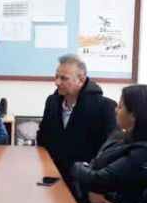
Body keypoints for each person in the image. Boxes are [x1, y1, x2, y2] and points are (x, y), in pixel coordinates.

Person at [70, 84, 147, 203]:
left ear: (134, 115)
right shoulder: (119, 135)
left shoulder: (146, 152)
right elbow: (95, 166)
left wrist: (77, 167)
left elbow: (98, 178)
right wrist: (92, 190)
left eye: (120, 106)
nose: (115, 110)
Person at [37, 54, 117, 185]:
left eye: (64, 78)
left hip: (86, 182)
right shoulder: (52, 102)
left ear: (81, 79)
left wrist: (94, 185)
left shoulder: (105, 107)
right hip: (52, 176)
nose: (57, 82)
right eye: (56, 77)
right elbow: (43, 138)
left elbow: (108, 153)